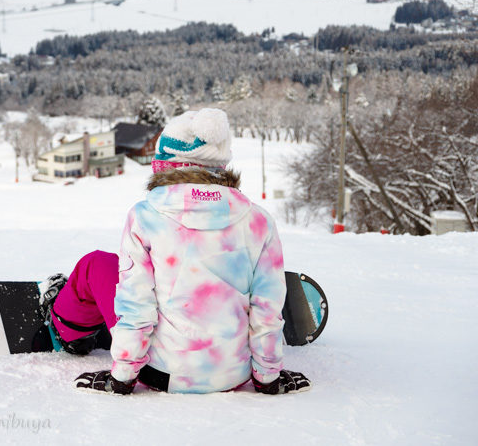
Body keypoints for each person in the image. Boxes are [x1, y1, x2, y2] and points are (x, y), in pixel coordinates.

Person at [45, 108, 310, 395]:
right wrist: (268, 378)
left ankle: (69, 332)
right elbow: (267, 310)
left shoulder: (145, 215)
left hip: (159, 374)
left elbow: (137, 304)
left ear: (169, 163)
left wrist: (120, 378)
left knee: (96, 264)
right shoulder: (259, 220)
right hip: (235, 374)